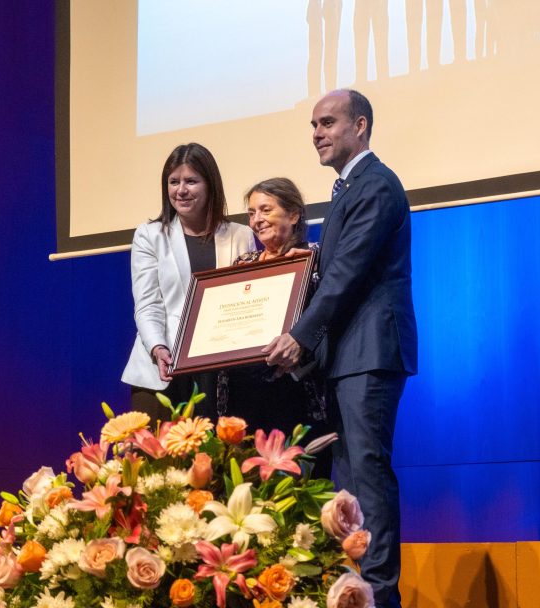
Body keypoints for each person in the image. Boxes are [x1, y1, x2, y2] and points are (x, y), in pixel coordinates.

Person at [263, 90, 417, 608]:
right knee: (347, 486)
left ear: (361, 125)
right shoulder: (349, 188)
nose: (317, 134)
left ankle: (381, 597)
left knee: (367, 480)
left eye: (327, 123)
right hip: (348, 357)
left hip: (370, 353)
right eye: (313, 125)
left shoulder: (376, 184)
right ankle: (355, 592)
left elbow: (345, 275)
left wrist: (298, 337)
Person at [121, 143, 256, 423]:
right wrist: (157, 347)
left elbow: (248, 301)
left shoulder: (241, 234)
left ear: (210, 185)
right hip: (164, 369)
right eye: (174, 182)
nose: (181, 190)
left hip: (221, 373)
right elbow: (147, 305)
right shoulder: (149, 235)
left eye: (191, 181)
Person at [216, 177, 332, 478]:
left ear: (293, 215)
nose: (256, 220)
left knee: (298, 490)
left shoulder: (316, 260)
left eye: (265, 210)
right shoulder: (243, 264)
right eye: (251, 213)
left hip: (298, 395)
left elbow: (330, 324)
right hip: (245, 398)